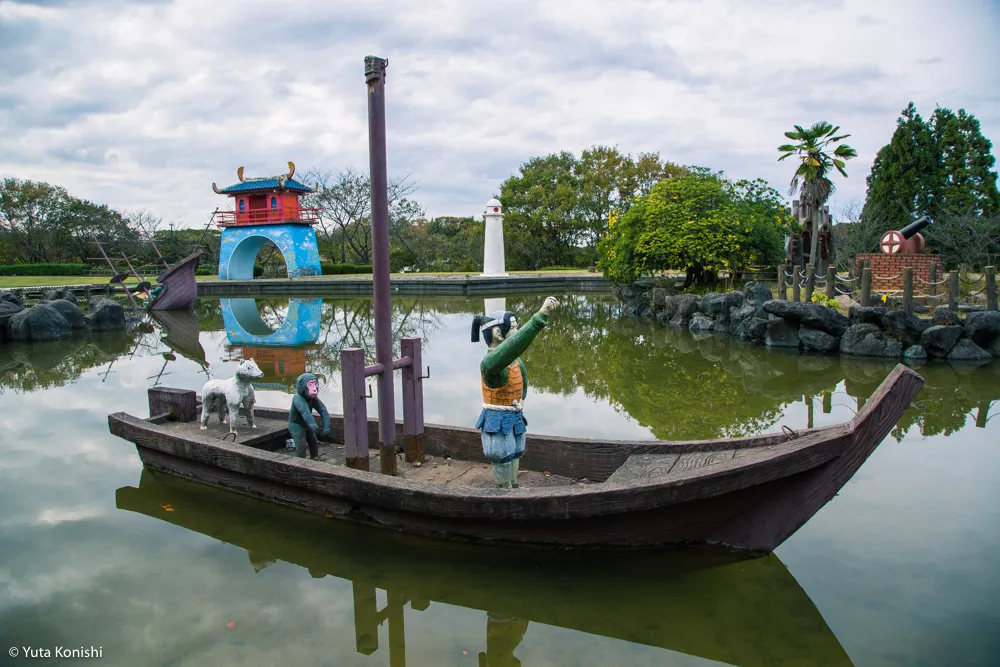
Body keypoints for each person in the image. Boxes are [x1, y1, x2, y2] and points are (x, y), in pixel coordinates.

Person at [472, 296, 559, 488]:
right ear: (497, 333)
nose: (517, 331)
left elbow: (523, 383)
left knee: (515, 452)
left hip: (515, 414)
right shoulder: (490, 365)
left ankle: (513, 485)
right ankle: (504, 489)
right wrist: (540, 316)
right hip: (497, 418)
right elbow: (513, 347)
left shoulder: (516, 362)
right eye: (513, 327)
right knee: (502, 455)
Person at [287, 372, 330, 460]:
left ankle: (314, 457)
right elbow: (305, 413)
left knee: (313, 441)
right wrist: (313, 425)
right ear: (302, 386)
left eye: (315, 384)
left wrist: (326, 426)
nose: (314, 389)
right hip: (296, 424)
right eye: (310, 385)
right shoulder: (298, 398)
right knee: (301, 445)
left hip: (306, 424)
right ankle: (301, 463)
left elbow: (323, 411)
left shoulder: (312, 398)